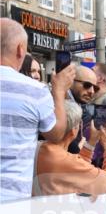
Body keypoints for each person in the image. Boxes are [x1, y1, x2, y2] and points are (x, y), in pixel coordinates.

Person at [0, 18, 73, 202]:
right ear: (20, 50)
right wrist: (58, 91)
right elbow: (56, 134)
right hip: (12, 200)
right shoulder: (34, 90)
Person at [34, 101, 106, 196]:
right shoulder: (65, 161)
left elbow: (76, 169)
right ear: (73, 131)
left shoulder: (38, 147)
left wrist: (91, 144)